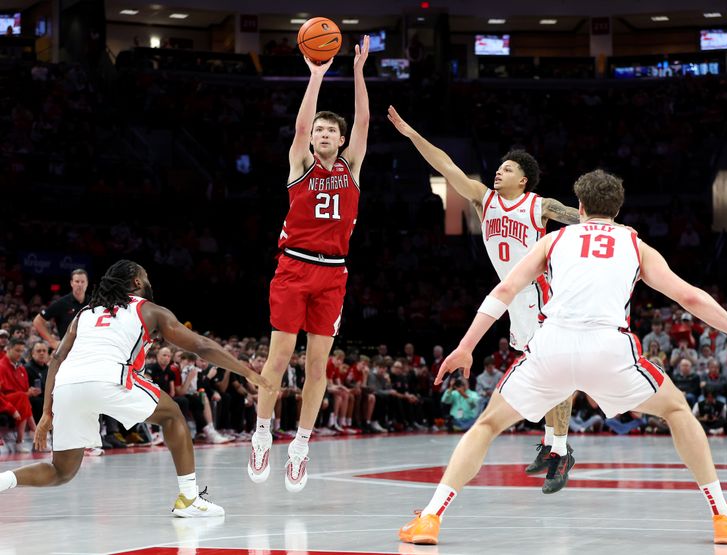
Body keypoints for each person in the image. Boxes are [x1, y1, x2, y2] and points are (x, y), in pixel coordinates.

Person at [398, 169, 727, 546]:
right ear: (617, 210)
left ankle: (430, 517)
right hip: (609, 350)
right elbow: (690, 297)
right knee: (676, 411)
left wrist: (466, 346)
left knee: (486, 425)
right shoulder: (636, 244)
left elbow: (504, 291)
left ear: (580, 206)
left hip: (552, 344)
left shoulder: (553, 241)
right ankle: (722, 516)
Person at [388, 106, 580, 490]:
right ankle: (551, 442)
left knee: (555, 371)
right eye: (499, 167)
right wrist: (412, 134)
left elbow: (584, 220)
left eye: (508, 169)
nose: (499, 171)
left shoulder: (539, 206)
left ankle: (560, 449)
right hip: (515, 302)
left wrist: (619, 231)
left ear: (524, 179)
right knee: (543, 373)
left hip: (542, 296)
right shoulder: (484, 199)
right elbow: (446, 165)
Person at [0, 260, 271, 517]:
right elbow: (201, 346)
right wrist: (248, 372)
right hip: (109, 377)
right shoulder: (149, 309)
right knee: (172, 414)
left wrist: (48, 412)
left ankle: (4, 480)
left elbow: (57, 358)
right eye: (148, 278)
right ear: (137, 281)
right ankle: (189, 498)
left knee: (61, 471)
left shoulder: (84, 313)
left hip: (67, 385)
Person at [249, 36, 371, 491]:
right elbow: (299, 129)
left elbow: (363, 120)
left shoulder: (350, 166)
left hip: (333, 272)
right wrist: (317, 75)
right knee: (278, 357)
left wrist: (358, 72)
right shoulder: (300, 162)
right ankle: (262, 433)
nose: (322, 135)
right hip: (294, 267)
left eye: (329, 132)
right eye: (318, 129)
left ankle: (300, 443)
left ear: (340, 141)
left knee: (318, 367)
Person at [33, 269, 89, 350]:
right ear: (71, 283)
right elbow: (37, 321)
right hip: (68, 351)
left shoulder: (93, 303)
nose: (80, 284)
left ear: (87, 283)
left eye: (82, 282)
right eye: (77, 281)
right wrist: (52, 342)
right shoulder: (62, 303)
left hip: (88, 349)